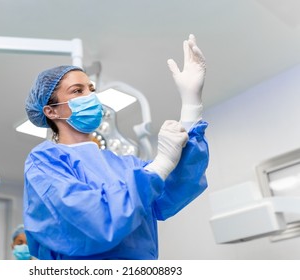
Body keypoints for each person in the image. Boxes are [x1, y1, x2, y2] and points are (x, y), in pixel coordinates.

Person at [23, 34, 209, 259]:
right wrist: (159, 165)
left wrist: (191, 105)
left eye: (91, 89)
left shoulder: (125, 164)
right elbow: (94, 222)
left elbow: (176, 186)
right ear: (51, 111)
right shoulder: (44, 162)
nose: (91, 96)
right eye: (77, 91)